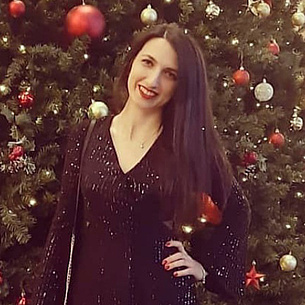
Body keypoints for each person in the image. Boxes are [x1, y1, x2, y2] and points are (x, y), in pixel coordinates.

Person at [32, 23, 250, 305]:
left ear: (181, 86)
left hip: (161, 294)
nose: (153, 80)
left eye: (169, 75)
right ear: (132, 61)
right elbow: (63, 228)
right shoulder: (85, 136)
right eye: (147, 63)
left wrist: (206, 271)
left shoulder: (188, 147)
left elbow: (237, 209)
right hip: (88, 293)